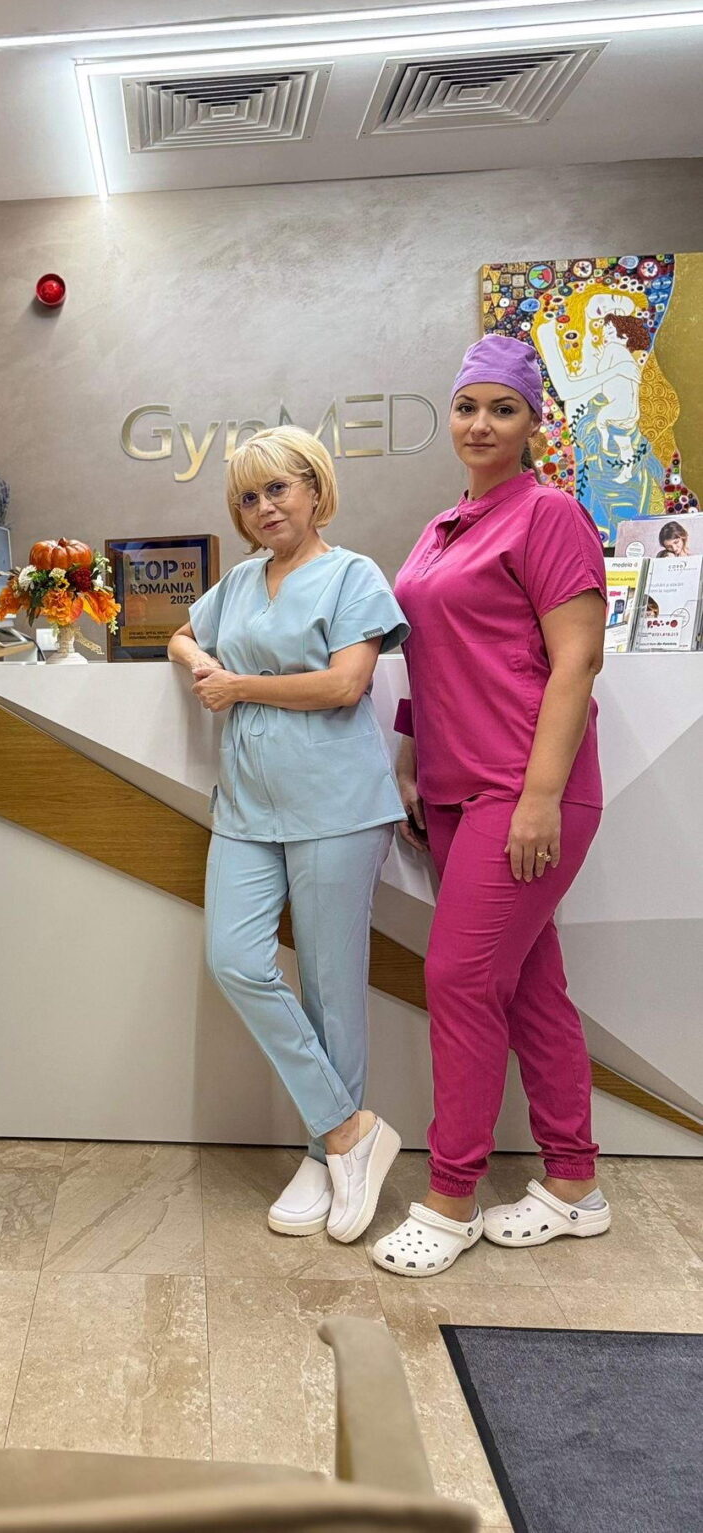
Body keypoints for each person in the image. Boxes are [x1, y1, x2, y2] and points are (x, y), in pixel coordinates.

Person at [372, 335, 610, 1279]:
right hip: (452, 790)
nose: (481, 424)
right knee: (530, 986)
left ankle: (452, 1197)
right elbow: (432, 658)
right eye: (467, 406)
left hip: (523, 789)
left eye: (502, 409)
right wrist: (409, 761)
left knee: (461, 980)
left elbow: (577, 660)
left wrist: (541, 797)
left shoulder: (549, 514)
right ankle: (574, 1182)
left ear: (532, 422)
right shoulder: (442, 526)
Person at [168, 427, 407, 1245]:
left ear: (314, 489)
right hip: (247, 806)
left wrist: (237, 684)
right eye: (248, 496)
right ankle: (346, 1130)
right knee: (234, 957)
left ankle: (321, 1151)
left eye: (278, 488)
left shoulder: (353, 575)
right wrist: (197, 660)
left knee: (331, 988)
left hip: (337, 804)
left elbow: (346, 683)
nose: (264, 507)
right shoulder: (239, 582)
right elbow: (183, 632)